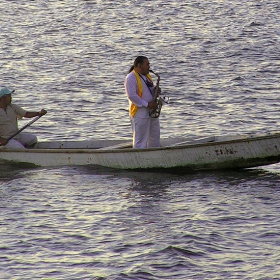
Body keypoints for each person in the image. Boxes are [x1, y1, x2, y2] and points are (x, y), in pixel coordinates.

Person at [124, 56, 161, 148]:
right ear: (140, 65)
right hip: (140, 113)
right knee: (140, 141)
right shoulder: (130, 78)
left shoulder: (146, 76)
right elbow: (132, 96)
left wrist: (155, 91)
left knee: (155, 136)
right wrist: (147, 104)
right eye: (147, 64)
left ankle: (155, 156)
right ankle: (139, 159)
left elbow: (147, 90)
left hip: (151, 112)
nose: (149, 66)